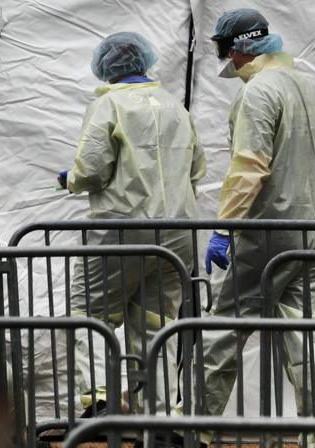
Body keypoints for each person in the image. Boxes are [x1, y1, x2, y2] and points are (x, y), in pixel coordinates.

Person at [201, 8, 315, 446]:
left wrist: (226, 226)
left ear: (238, 49)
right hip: (312, 229)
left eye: (227, 53)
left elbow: (248, 167)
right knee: (305, 340)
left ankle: (192, 429)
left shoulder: (258, 91)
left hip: (267, 232)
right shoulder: (314, 89)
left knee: (223, 328)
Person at [58, 32, 206, 417]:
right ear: (144, 61)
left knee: (90, 312)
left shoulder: (110, 106)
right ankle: (156, 416)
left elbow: (90, 169)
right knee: (157, 324)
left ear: (106, 66)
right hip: (177, 233)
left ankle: (98, 399)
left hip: (121, 230)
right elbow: (197, 168)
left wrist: (70, 179)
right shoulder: (177, 107)